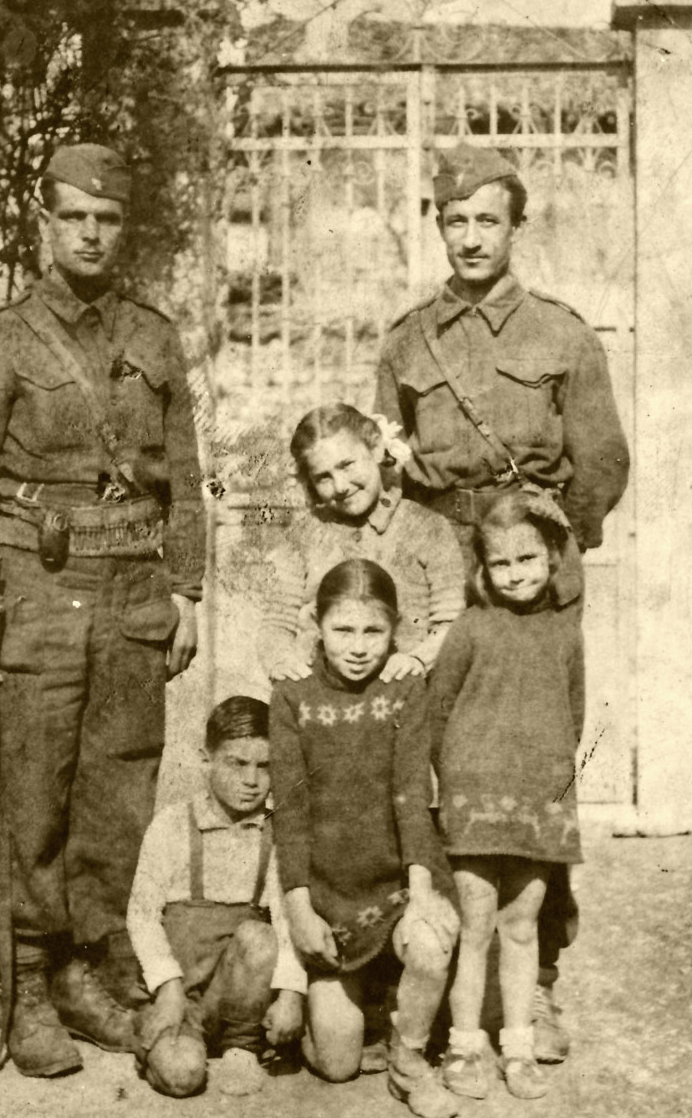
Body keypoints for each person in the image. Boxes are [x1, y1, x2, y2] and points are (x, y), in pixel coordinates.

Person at [0, 144, 206, 1077]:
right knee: (33, 794)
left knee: (117, 788)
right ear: (45, 224)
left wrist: (189, 588)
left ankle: (89, 970)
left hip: (132, 594)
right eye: (74, 216)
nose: (91, 232)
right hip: (36, 593)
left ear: (124, 228)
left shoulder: (155, 338)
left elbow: (186, 478)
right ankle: (33, 982)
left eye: (108, 218)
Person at [374, 142, 630, 1061]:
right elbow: (388, 468)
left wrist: (552, 551)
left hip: (536, 575)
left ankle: (541, 980)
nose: (471, 236)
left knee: (537, 763)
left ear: (516, 227)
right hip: (443, 566)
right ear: (437, 225)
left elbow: (602, 461)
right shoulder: (407, 339)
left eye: (489, 219)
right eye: (456, 219)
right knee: (442, 751)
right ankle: (437, 963)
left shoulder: (562, 334)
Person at [270, 558, 460, 1118]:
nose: (358, 647)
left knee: (429, 941)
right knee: (337, 1065)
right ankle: (343, 1009)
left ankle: (409, 1060)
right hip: (331, 898)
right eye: (342, 630)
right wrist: (300, 909)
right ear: (316, 626)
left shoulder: (403, 690)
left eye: (373, 631)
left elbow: (409, 794)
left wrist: (422, 891)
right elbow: (292, 812)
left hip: (397, 884)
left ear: (396, 630)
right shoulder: (291, 697)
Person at [426, 489, 584, 1101]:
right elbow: (438, 712)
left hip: (539, 800)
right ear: (482, 569)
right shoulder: (470, 627)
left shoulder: (565, 632)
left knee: (521, 926)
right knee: (475, 924)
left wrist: (555, 791)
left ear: (552, 557)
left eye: (527, 559)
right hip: (474, 799)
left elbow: (572, 714)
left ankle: (517, 1046)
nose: (515, 574)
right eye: (501, 563)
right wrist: (449, 783)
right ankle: (465, 1043)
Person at [127, 695, 305, 1098]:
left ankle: (242, 1047)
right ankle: (174, 1045)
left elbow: (290, 920)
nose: (251, 780)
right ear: (206, 760)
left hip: (239, 1002)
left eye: (265, 766)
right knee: (182, 1075)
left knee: (260, 937)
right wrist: (168, 988)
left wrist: (292, 994)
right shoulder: (172, 824)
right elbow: (140, 916)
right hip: (180, 996)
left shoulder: (277, 834)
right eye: (237, 764)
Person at [258, 404, 465, 683]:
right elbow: (276, 624)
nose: (340, 485)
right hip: (323, 694)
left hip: (406, 689)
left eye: (346, 465)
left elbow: (451, 621)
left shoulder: (427, 528)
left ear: (376, 449)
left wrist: (417, 659)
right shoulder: (300, 536)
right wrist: (282, 661)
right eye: (324, 477)